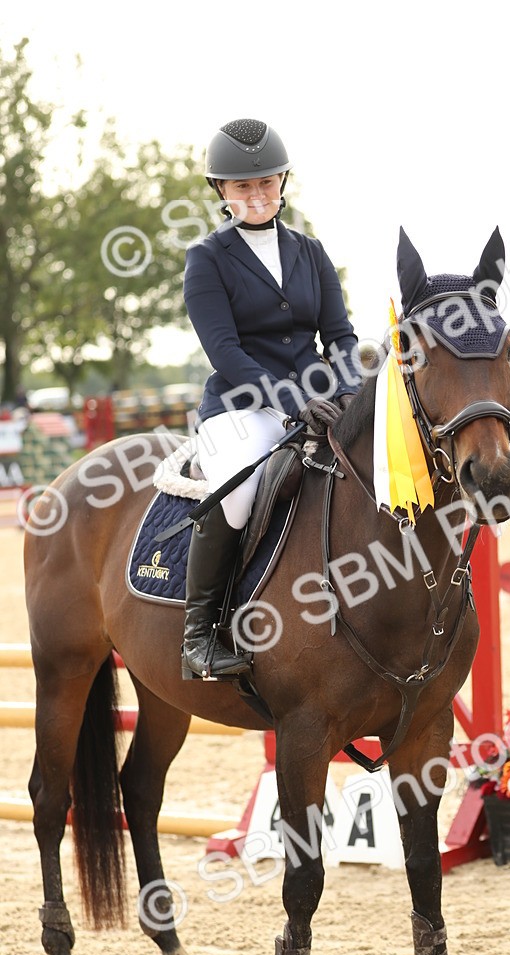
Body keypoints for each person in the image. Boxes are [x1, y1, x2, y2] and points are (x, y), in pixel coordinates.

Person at [181, 119, 361, 681]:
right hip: (241, 406)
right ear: (222, 192)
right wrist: (287, 401)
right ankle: (200, 632)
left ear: (282, 180)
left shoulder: (310, 251)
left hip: (318, 397)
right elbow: (225, 351)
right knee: (237, 496)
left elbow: (340, 335)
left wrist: (352, 389)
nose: (256, 196)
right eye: (242, 187)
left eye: (266, 183)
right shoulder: (207, 258)